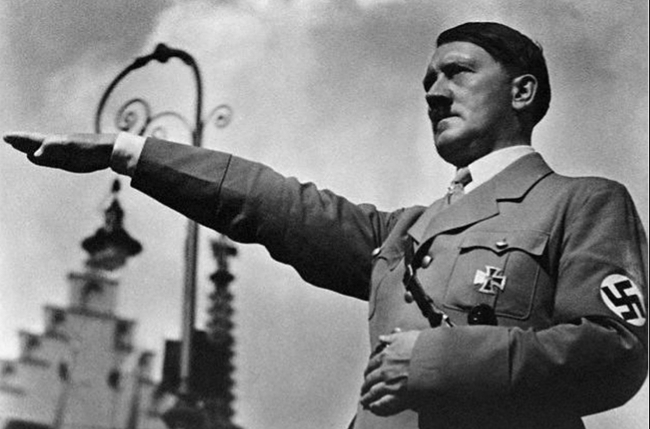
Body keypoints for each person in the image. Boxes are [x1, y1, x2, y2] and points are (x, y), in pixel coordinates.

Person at [4, 22, 648, 429]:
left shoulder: (582, 203)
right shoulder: (405, 232)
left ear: (522, 92)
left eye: (457, 72)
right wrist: (127, 151)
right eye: (428, 80)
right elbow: (277, 204)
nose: (433, 93)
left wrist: (438, 360)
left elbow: (613, 353)